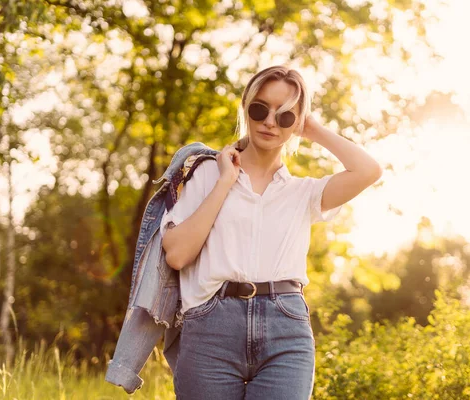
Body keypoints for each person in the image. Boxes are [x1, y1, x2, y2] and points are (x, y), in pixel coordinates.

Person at [160, 65, 382, 400]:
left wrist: (312, 128)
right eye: (260, 109)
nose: (269, 122)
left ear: (298, 122)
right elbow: (177, 255)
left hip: (285, 329)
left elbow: (369, 170)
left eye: (285, 116)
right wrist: (225, 182)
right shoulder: (206, 173)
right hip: (211, 327)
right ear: (246, 109)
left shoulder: (303, 193)